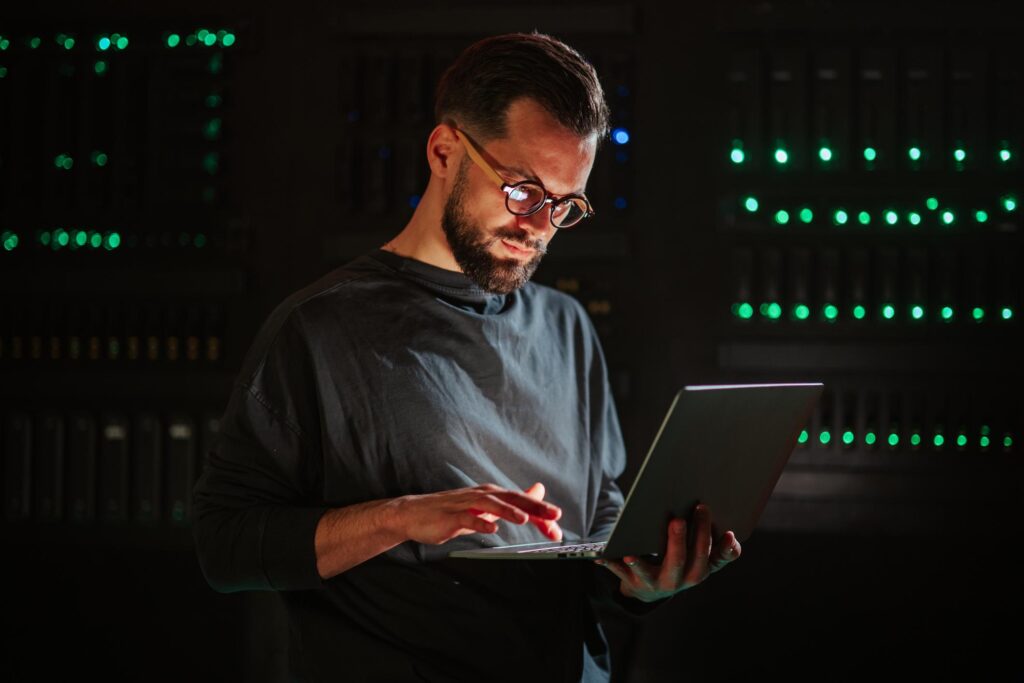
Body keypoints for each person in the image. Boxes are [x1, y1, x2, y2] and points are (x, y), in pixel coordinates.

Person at [193, 31, 742, 682]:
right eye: (523, 192)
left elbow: (599, 520)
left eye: (565, 205)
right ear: (445, 150)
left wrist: (645, 578)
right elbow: (224, 547)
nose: (539, 227)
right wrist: (398, 517)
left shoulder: (567, 327)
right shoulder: (319, 329)